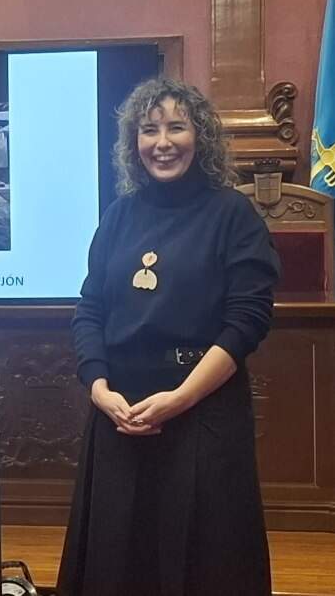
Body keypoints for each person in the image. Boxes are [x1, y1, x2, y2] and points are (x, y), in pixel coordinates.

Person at [57, 78, 280, 595]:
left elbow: (246, 322)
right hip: (120, 414)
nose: (162, 142)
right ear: (133, 144)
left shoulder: (233, 216)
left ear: (200, 137)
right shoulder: (118, 217)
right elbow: (91, 307)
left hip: (202, 414)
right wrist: (99, 389)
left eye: (177, 127)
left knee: (205, 565)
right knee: (117, 564)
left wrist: (180, 399)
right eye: (149, 129)